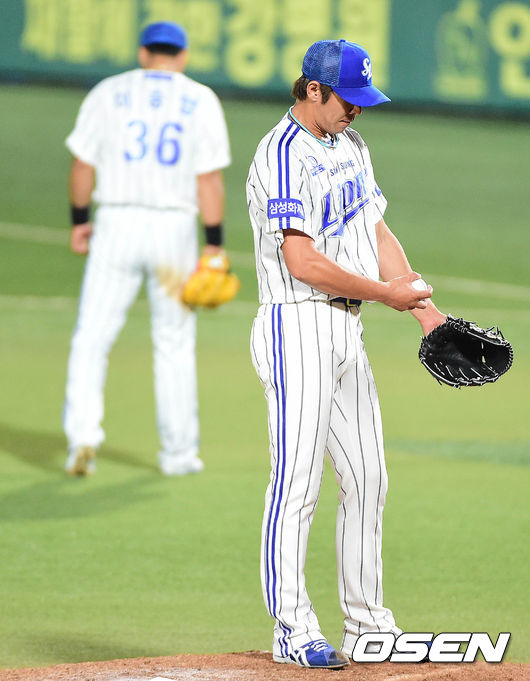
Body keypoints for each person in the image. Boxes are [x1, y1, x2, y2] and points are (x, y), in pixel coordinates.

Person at [247, 39, 446, 668]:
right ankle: (292, 630)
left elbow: (375, 229)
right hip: (295, 327)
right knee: (297, 485)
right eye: (347, 98)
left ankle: (368, 627)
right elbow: (301, 261)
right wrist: (386, 294)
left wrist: (423, 309)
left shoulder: (351, 145)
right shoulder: (282, 154)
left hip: (345, 333)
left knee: (367, 477)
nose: (356, 109)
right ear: (313, 89)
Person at [63, 21, 231, 476]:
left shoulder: (107, 92)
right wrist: (214, 244)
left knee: (92, 335)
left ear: (143, 53)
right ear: (183, 55)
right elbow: (208, 180)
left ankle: (82, 438)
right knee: (174, 341)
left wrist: (79, 221)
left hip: (115, 224)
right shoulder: (200, 99)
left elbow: (82, 165)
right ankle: (178, 454)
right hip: (173, 231)